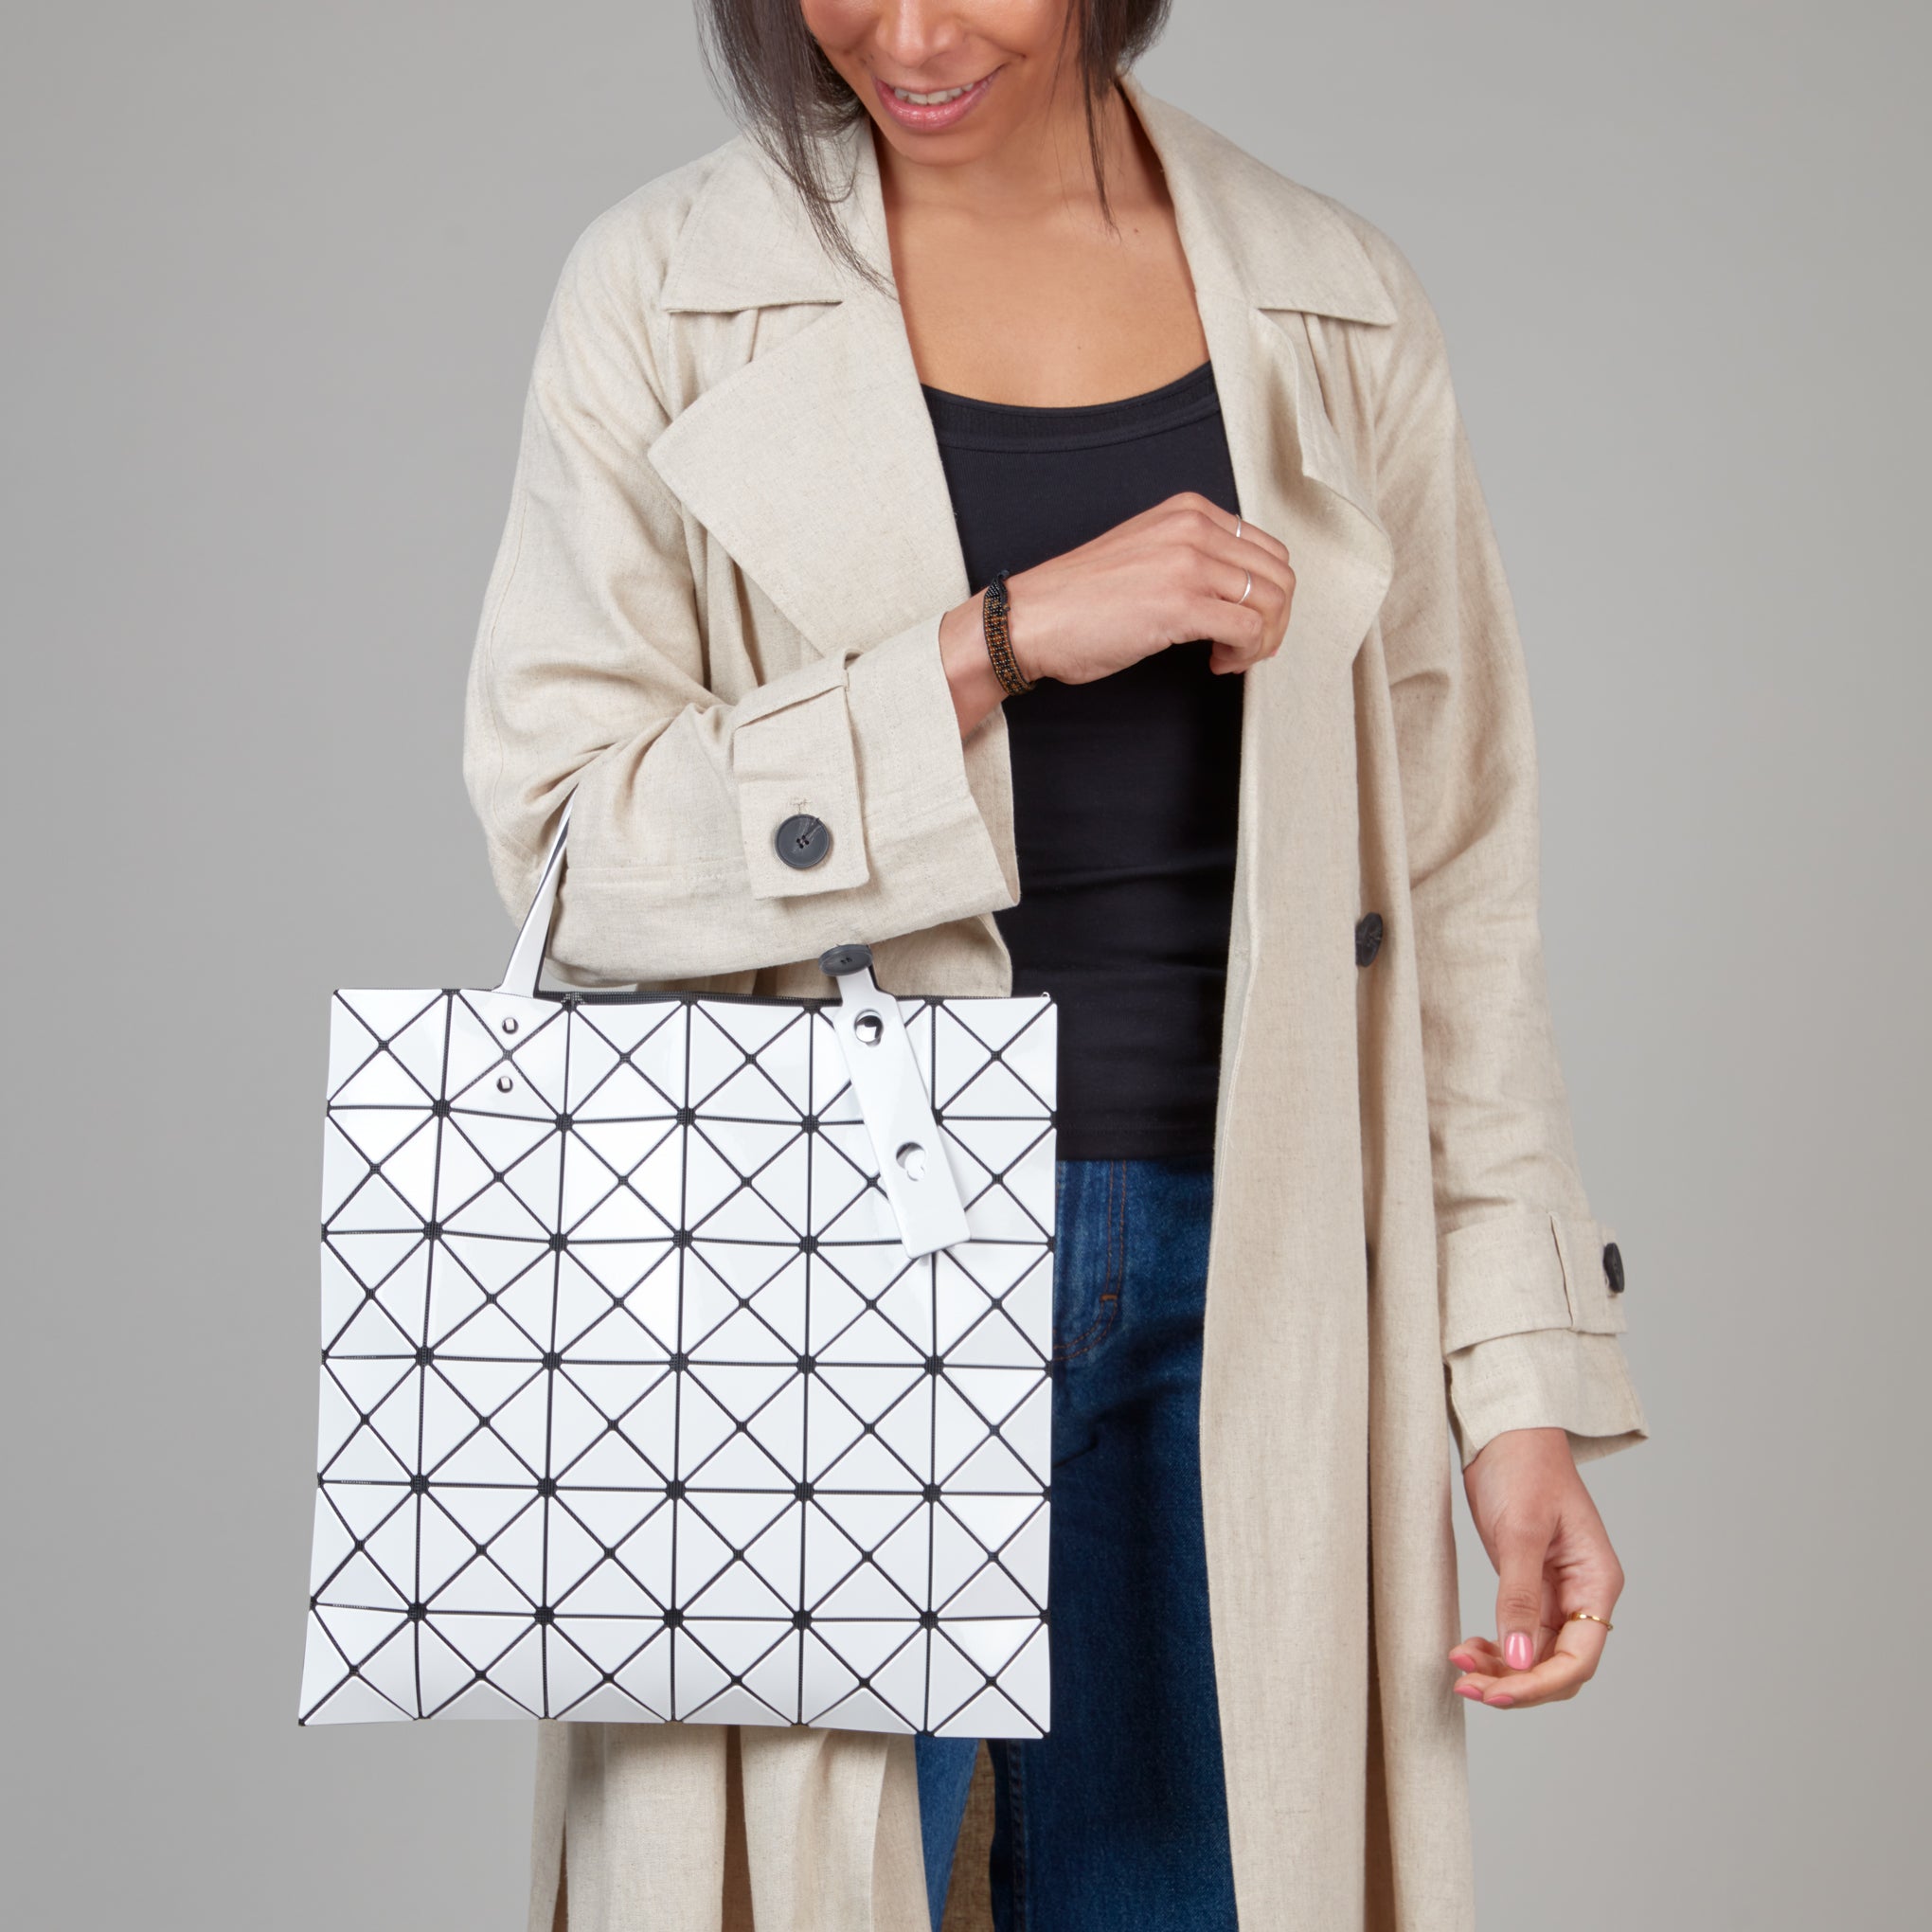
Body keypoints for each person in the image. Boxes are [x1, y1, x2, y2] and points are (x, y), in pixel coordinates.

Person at [460, 3, 1648, 1927]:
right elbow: (578, 844)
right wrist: (993, 643)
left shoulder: (1332, 306)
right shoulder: (669, 292)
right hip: (809, 1275)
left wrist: (1516, 1390)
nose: (910, 32)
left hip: (1250, 1271)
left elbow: (1455, 891)